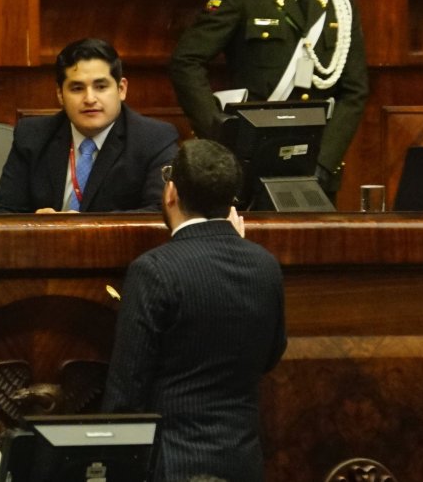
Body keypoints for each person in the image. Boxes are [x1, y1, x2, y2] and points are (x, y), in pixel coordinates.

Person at [170, 0, 369, 198]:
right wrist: (221, 134)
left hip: (314, 159)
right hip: (251, 154)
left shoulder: (339, 1)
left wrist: (324, 161)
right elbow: (186, 61)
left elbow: (355, 89)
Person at [102, 139, 286, 482]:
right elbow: (271, 355)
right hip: (242, 461)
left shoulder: (153, 270)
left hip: (172, 464)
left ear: (171, 193)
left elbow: (127, 388)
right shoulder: (266, 266)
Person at [0, 38, 179, 214]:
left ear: (121, 89)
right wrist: (36, 227)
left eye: (101, 87)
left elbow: (159, 213)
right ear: (60, 95)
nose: (89, 99)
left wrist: (82, 230)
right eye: (77, 88)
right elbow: (2, 212)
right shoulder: (32, 136)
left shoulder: (154, 139)